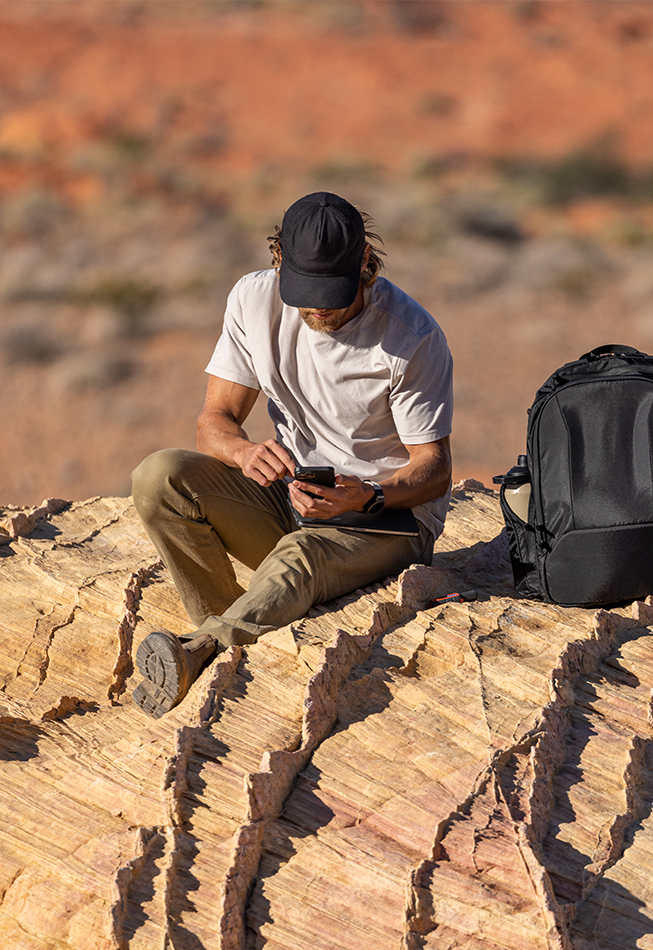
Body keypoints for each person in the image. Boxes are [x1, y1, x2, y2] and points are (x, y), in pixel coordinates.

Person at [130, 192, 453, 718]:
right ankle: (224, 631)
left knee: (298, 557)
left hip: (386, 522)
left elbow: (434, 470)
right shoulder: (253, 299)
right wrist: (242, 452)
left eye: (333, 292)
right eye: (306, 291)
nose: (319, 307)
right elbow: (213, 422)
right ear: (278, 258)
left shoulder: (410, 338)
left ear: (364, 259)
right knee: (159, 476)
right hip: (294, 500)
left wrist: (368, 495)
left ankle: (201, 649)